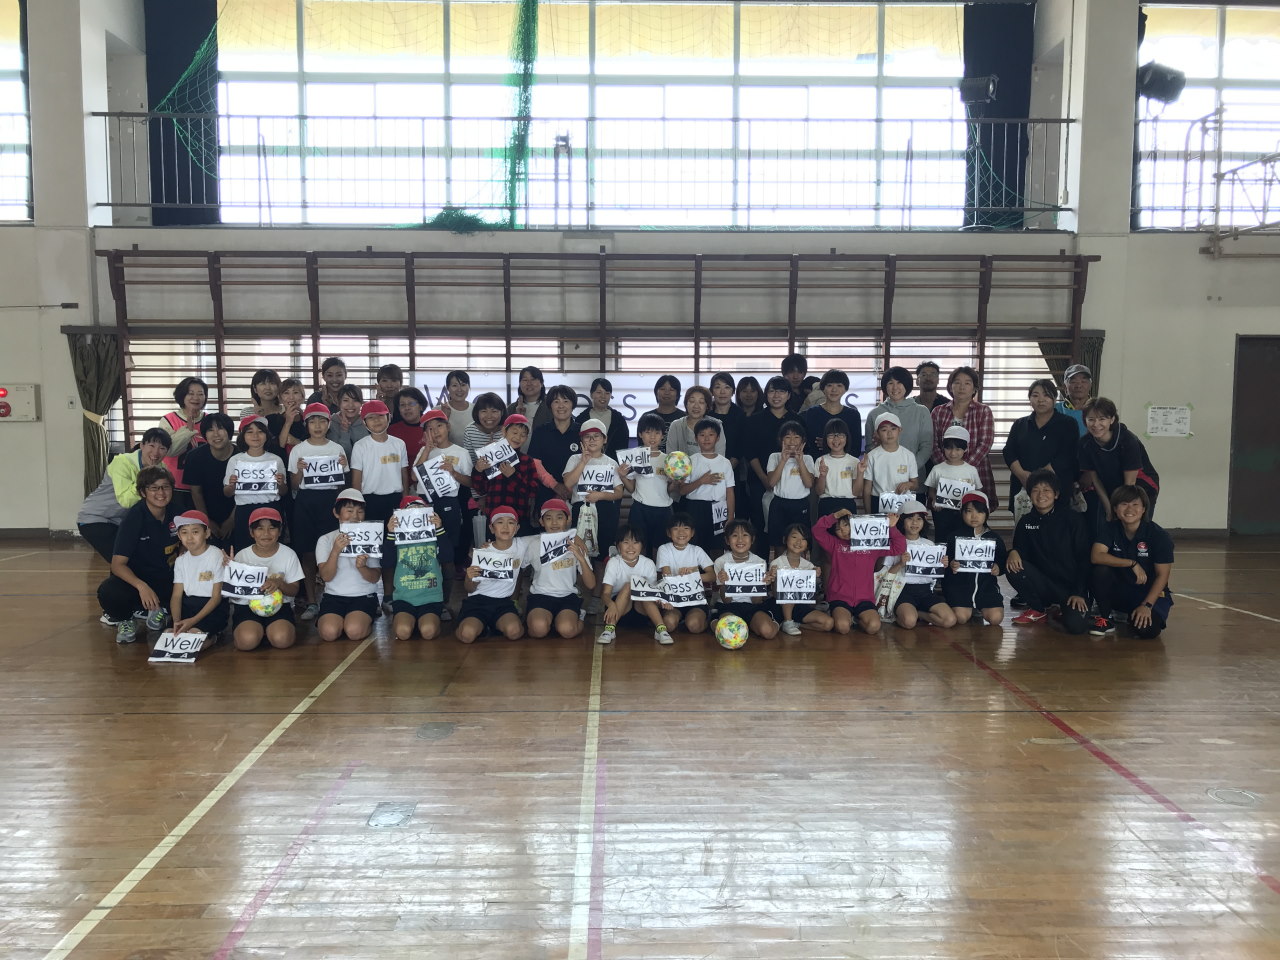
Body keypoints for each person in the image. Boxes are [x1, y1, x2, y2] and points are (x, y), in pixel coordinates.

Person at [98, 466, 179, 642]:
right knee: (109, 591)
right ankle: (126, 619)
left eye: (165, 487)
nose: (161, 493)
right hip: (138, 579)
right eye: (154, 488)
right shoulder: (133, 518)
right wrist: (142, 586)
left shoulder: (177, 512)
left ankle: (159, 610)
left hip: (167, 576)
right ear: (143, 492)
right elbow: (117, 565)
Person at [1005, 470, 1091, 635]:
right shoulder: (1026, 522)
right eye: (1035, 490)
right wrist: (1013, 551)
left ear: (1056, 494)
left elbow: (1083, 558)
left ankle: (1061, 609)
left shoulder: (1073, 519)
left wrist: (1079, 593)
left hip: (1070, 588)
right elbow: (1021, 552)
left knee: (1076, 627)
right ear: (1029, 494)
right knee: (1012, 565)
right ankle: (1038, 609)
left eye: (1046, 490)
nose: (1041, 495)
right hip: (1044, 584)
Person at [289, 403, 349, 620]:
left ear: (329, 424)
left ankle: (335, 597)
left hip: (330, 501)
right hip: (305, 502)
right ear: (306, 424)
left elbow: (342, 484)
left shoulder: (337, 448)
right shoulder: (299, 449)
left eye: (322, 421)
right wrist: (300, 471)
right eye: (312, 421)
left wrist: (342, 466)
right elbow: (294, 485)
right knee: (307, 552)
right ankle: (312, 601)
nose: (317, 425)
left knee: (334, 549)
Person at [1089, 485, 1174, 638]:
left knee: (1147, 631)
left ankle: (1130, 614)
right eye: (1124, 504)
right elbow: (1096, 556)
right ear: (1115, 509)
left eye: (1135, 504)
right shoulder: (1110, 529)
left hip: (1148, 592)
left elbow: (1162, 575)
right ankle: (1105, 617)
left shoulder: (1159, 536)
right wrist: (1132, 563)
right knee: (1100, 570)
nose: (1129, 509)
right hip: (1120, 589)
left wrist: (1147, 605)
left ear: (1143, 509)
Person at [77, 429, 172, 563]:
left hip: (123, 521)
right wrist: (146, 479)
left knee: (143, 558)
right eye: (151, 446)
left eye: (162, 448)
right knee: (123, 562)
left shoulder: (162, 468)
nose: (156, 453)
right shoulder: (122, 462)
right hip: (96, 519)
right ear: (142, 445)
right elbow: (126, 501)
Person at [812, 507, 906, 635]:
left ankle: (855, 620)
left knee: (874, 627)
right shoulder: (835, 545)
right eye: (838, 529)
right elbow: (817, 530)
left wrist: (891, 527)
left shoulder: (871, 545)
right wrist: (835, 516)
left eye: (846, 525)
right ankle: (843, 616)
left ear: (857, 525)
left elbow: (899, 547)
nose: (843, 530)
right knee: (842, 627)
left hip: (865, 598)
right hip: (839, 597)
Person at [350, 399, 409, 603]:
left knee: (392, 552)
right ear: (364, 422)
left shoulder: (398, 443)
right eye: (371, 417)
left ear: (389, 417)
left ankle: (390, 596)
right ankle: (370, 596)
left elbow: (404, 475)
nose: (376, 421)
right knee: (370, 552)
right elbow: (356, 480)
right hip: (369, 503)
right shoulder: (360, 446)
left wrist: (405, 503)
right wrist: (357, 508)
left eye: (380, 416)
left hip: (394, 503)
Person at [412, 408, 473, 596]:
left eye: (439, 426)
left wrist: (454, 472)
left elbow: (470, 481)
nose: (435, 431)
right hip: (424, 503)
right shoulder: (424, 451)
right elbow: (414, 477)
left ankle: (446, 597)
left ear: (448, 427)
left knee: (447, 552)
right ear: (425, 433)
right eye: (430, 429)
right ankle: (425, 594)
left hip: (449, 502)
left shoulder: (461, 452)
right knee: (424, 549)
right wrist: (427, 450)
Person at [229, 507, 303, 651]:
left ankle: (269, 632)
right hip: (246, 607)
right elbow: (235, 596)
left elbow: (294, 590)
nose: (266, 533)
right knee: (246, 642)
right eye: (260, 528)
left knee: (282, 640)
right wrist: (229, 572)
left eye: (272, 528)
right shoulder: (241, 556)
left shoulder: (289, 554)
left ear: (280, 531)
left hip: (279, 605)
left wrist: (279, 583)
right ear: (251, 532)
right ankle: (258, 632)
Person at [1078, 397, 1160, 525]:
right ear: (1085, 421)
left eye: (1102, 419)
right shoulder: (1084, 443)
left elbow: (1130, 483)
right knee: (1109, 521)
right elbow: (1095, 479)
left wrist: (1121, 509)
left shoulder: (1128, 441)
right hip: (1112, 486)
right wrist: (1108, 509)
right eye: (1091, 419)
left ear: (1112, 419)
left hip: (1140, 487)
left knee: (1133, 525)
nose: (1096, 424)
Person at [315, 490, 383, 643]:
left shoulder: (370, 537)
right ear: (336, 513)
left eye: (360, 511)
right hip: (334, 596)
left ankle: (366, 618)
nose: (355, 516)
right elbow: (326, 576)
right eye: (349, 511)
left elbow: (375, 577)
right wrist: (335, 551)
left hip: (364, 595)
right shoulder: (325, 539)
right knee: (328, 633)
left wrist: (362, 567)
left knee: (354, 631)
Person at [523, 499, 594, 639]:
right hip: (540, 596)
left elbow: (591, 584)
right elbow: (510, 552)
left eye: (560, 517)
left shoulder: (576, 544)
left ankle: (578, 616)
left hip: (567, 596)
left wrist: (580, 557)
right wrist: (488, 547)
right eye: (549, 518)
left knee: (567, 630)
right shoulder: (533, 543)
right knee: (538, 630)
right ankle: (545, 621)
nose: (554, 523)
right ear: (541, 521)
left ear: (568, 519)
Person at [563, 417, 623, 582]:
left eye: (596, 436)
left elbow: (619, 492)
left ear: (604, 439)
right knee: (578, 552)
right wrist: (583, 462)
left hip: (605, 511)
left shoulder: (611, 462)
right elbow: (568, 483)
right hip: (580, 510)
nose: (592, 440)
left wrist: (601, 495)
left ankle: (598, 593)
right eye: (587, 437)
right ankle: (580, 591)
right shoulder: (574, 459)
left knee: (602, 554)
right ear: (581, 440)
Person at [456, 506, 526, 644]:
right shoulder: (482, 552)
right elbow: (469, 588)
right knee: (467, 635)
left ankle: (493, 626)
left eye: (510, 522)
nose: (505, 526)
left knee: (515, 632)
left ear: (517, 528)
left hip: (503, 602)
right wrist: (469, 576)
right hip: (477, 602)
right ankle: (478, 626)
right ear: (492, 528)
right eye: (500, 522)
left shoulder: (522, 545)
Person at [1004, 379, 1079, 508]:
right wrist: (1022, 474)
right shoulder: (1020, 424)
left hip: (1056, 486)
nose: (1041, 400)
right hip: (1023, 486)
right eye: (1035, 395)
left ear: (1055, 399)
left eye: (1046, 395)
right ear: (1030, 399)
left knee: (1057, 519)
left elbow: (1069, 453)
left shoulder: (1068, 423)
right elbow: (1009, 451)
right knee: (1025, 520)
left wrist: (1038, 480)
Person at [931, 366, 997, 509]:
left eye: (967, 383)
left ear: (974, 389)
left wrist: (963, 469)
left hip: (976, 473)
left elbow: (985, 443)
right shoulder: (938, 412)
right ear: (950, 386)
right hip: (944, 478)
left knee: (974, 516)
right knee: (945, 518)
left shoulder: (983, 411)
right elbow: (933, 444)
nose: (962, 387)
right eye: (957, 382)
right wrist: (947, 470)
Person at [886, 500, 957, 630]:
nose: (914, 523)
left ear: (924, 522)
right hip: (902, 590)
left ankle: (920, 614)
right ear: (901, 521)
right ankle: (900, 613)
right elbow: (886, 574)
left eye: (919, 519)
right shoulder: (895, 543)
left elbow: (934, 575)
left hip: (925, 591)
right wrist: (900, 564)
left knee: (949, 620)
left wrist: (942, 565)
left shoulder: (929, 544)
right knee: (909, 622)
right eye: (910, 518)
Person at [746, 376, 802, 535]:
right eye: (772, 391)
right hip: (760, 481)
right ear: (766, 394)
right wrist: (764, 478)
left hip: (792, 481)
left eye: (781, 391)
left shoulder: (797, 420)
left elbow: (803, 452)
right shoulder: (755, 420)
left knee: (791, 528)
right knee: (760, 523)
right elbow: (750, 452)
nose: (776, 396)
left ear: (789, 395)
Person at [596, 525, 671, 645]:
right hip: (618, 613)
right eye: (626, 542)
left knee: (642, 588)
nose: (631, 547)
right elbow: (605, 594)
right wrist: (611, 605)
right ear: (618, 545)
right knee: (629, 585)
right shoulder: (614, 563)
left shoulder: (648, 563)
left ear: (642, 545)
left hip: (642, 612)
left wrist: (662, 602)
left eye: (636, 542)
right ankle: (609, 629)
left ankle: (661, 630)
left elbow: (653, 594)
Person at [386, 494, 447, 641]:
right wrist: (390, 534)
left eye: (420, 510)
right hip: (404, 597)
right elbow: (386, 562)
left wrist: (439, 529)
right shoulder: (397, 539)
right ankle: (412, 623)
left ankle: (424, 622)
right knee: (402, 632)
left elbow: (448, 557)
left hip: (431, 597)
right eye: (411, 510)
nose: (416, 514)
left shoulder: (434, 536)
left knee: (428, 631)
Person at [223, 415, 287, 552]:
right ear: (243, 436)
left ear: (267, 435)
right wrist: (232, 485)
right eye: (250, 432)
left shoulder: (276, 460)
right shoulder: (235, 460)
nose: (255, 435)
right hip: (244, 511)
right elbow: (227, 493)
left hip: (271, 508)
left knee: (272, 549)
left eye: (260, 431)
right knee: (245, 549)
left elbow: (283, 492)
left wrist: (281, 483)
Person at [941, 492, 1006, 627]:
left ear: (986, 514)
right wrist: (951, 564)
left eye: (979, 511)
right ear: (962, 513)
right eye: (969, 511)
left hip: (986, 587)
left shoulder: (994, 538)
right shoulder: (953, 537)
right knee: (960, 618)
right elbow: (944, 562)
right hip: (960, 587)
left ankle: (978, 608)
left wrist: (998, 568)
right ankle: (965, 607)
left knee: (996, 618)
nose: (974, 516)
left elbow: (1002, 560)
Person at [620, 412, 677, 560]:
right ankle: (641, 574)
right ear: (640, 434)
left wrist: (675, 481)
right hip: (640, 508)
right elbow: (631, 489)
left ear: (662, 435)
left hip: (663, 510)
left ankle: (658, 574)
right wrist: (622, 476)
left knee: (661, 550)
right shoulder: (634, 457)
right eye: (648, 432)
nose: (652, 437)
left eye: (657, 433)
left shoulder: (669, 460)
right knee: (639, 547)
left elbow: (669, 490)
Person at [711, 519, 779, 641]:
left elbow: (756, 601)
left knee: (768, 632)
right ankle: (717, 620)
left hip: (752, 606)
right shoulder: (721, 562)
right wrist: (725, 583)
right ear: (727, 540)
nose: (740, 540)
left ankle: (774, 622)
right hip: (729, 606)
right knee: (728, 633)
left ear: (752, 539)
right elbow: (727, 600)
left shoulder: (759, 562)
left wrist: (761, 584)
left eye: (745, 535)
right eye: (735, 535)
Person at [472, 413, 539, 532]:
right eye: (514, 432)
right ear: (504, 431)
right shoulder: (490, 456)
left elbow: (532, 492)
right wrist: (478, 470)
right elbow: (480, 489)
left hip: (519, 519)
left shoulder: (527, 461)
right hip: (494, 519)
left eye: (523, 435)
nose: (518, 437)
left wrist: (513, 476)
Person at [169, 510, 230, 638]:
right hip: (189, 606)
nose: (189, 537)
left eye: (195, 532)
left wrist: (192, 621)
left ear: (207, 533)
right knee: (169, 634)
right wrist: (177, 621)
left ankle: (214, 638)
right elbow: (176, 596)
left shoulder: (217, 556)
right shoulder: (180, 561)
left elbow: (216, 597)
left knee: (193, 636)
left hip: (212, 608)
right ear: (179, 536)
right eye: (184, 532)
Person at [679, 417, 735, 556]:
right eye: (702, 435)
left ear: (718, 438)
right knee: (695, 547)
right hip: (695, 508)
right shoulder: (691, 461)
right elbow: (682, 490)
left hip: (719, 508)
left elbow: (730, 491)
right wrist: (701, 481)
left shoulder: (725, 463)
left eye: (711, 434)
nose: (706, 438)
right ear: (696, 438)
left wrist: (730, 516)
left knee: (717, 547)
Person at [655, 512, 714, 637]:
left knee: (694, 626)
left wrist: (693, 575)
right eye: (676, 528)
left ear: (692, 533)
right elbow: (666, 576)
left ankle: (707, 619)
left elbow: (712, 575)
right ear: (669, 533)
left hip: (695, 600)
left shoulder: (697, 550)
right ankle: (681, 619)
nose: (681, 532)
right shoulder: (664, 549)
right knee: (668, 624)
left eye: (686, 528)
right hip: (674, 600)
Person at [183, 412, 236, 548]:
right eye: (210, 430)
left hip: (236, 513)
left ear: (229, 431)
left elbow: (246, 493)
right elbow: (196, 492)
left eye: (221, 429)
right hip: (204, 513)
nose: (216, 434)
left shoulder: (242, 455)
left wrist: (232, 520)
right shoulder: (194, 457)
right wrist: (206, 521)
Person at [864, 366, 932, 472]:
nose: (895, 388)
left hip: (914, 474)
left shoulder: (921, 412)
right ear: (885, 386)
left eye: (899, 383)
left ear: (907, 384)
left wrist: (910, 468)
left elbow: (926, 446)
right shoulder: (874, 414)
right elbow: (870, 447)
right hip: (882, 474)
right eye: (891, 383)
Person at [770, 524, 834, 635]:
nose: (798, 542)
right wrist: (773, 576)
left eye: (803, 539)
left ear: (807, 543)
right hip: (780, 606)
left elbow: (810, 595)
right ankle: (787, 621)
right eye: (794, 537)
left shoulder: (809, 566)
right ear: (785, 539)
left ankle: (794, 624)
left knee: (828, 623)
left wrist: (815, 575)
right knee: (789, 589)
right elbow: (775, 592)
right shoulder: (776, 563)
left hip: (800, 607)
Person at [923, 425, 981, 547]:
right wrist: (934, 499)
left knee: (962, 539)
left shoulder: (971, 470)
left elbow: (977, 492)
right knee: (942, 539)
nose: (953, 453)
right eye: (949, 448)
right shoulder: (937, 469)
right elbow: (931, 490)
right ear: (943, 448)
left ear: (965, 449)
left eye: (958, 449)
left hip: (964, 512)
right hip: (942, 512)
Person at [529, 384, 582, 512]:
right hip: (546, 494)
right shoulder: (540, 431)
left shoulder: (582, 432)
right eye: (556, 402)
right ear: (550, 406)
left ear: (573, 405)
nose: (561, 406)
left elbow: (587, 462)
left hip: (576, 495)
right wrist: (555, 485)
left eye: (566, 401)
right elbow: (535, 463)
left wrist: (568, 488)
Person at [764, 421, 814, 553]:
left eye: (796, 437)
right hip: (779, 504)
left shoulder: (808, 459)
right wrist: (783, 460)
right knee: (778, 544)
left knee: (800, 544)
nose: (792, 441)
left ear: (803, 440)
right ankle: (779, 567)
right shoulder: (774, 457)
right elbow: (771, 483)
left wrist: (800, 461)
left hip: (801, 504)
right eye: (787, 437)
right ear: (781, 440)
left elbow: (809, 484)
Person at [158, 376, 207, 504]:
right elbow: (169, 451)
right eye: (191, 393)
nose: (196, 398)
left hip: (204, 485)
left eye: (200, 394)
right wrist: (187, 431)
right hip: (175, 485)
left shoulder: (209, 420)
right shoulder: (168, 420)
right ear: (182, 396)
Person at [860, 412, 918, 514]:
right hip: (878, 501)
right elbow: (867, 488)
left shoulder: (908, 455)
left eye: (893, 429)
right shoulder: (872, 456)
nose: (889, 433)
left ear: (900, 430)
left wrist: (909, 484)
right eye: (884, 430)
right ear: (877, 434)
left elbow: (915, 484)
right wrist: (868, 513)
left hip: (902, 501)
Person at [803, 369, 861, 459]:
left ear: (845, 389)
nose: (834, 390)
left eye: (839, 385)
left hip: (845, 465)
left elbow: (856, 449)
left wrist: (827, 445)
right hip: (817, 463)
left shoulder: (853, 415)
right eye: (829, 385)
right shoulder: (813, 413)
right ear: (823, 388)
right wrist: (840, 444)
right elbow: (809, 446)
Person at [816, 418, 862, 519]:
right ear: (825, 438)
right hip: (826, 504)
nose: (836, 439)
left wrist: (860, 473)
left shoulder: (854, 461)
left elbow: (856, 492)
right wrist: (822, 476)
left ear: (847, 438)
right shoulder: (821, 460)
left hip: (848, 504)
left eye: (840, 435)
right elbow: (819, 492)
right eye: (831, 435)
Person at [575, 377, 629, 461]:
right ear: (591, 394)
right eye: (599, 392)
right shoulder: (581, 419)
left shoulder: (619, 419)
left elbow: (624, 446)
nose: (603, 396)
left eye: (607, 393)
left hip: (613, 465)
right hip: (587, 464)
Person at [665, 385, 725, 458]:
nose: (696, 406)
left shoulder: (716, 424)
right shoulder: (676, 425)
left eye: (701, 402)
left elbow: (720, 457)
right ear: (686, 404)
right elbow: (670, 456)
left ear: (707, 406)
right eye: (692, 401)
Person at [709, 372, 747, 476]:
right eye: (717, 387)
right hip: (706, 467)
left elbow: (741, 445)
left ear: (733, 391)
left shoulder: (740, 415)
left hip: (732, 469)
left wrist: (727, 468)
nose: (722, 392)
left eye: (727, 387)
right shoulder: (706, 414)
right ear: (711, 391)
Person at [510, 365, 551, 447]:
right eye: (525, 380)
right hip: (517, 453)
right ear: (520, 384)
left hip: (544, 453)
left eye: (533, 379)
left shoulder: (551, 406)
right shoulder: (511, 409)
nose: (529, 383)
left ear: (542, 383)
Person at [389, 386, 429, 463]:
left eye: (411, 404)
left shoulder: (431, 428)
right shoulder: (391, 431)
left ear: (421, 406)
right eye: (402, 405)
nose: (407, 408)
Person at [326, 384, 368, 456]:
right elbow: (340, 455)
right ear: (338, 402)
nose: (350, 405)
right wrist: (344, 431)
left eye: (355, 400)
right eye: (346, 400)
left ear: (361, 403)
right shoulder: (331, 423)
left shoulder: (367, 422)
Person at [643, 374, 684, 448]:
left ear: (678, 394)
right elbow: (641, 446)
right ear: (656, 392)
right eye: (662, 389)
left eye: (671, 390)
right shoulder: (647, 417)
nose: (667, 393)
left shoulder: (684, 417)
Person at [1055, 363, 1094, 437]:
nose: (1078, 386)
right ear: (1065, 387)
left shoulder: (1099, 408)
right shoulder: (1054, 410)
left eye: (1083, 381)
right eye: (1073, 382)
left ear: (1090, 385)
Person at [440, 370, 473, 448]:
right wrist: (444, 418)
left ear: (468, 387)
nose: (459, 389)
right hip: (446, 455)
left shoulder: (477, 410)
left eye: (463, 385)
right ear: (448, 388)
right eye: (454, 385)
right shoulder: (438, 411)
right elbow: (436, 440)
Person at [276, 378, 309, 454]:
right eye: (286, 393)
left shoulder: (308, 420)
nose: (291, 397)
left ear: (302, 397)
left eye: (295, 392)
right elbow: (280, 445)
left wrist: (297, 442)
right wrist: (288, 422)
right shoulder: (274, 419)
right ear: (280, 398)